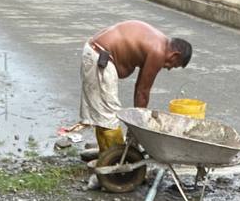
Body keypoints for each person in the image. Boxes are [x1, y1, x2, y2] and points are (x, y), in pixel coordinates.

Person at [80, 20, 192, 152]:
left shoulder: (159, 42)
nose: (168, 68)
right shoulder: (158, 52)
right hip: (100, 57)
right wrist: (139, 128)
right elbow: (142, 92)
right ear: (175, 55)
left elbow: (140, 86)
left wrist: (135, 125)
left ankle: (106, 154)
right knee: (109, 114)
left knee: (102, 113)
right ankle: (118, 157)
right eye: (173, 65)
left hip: (94, 51)